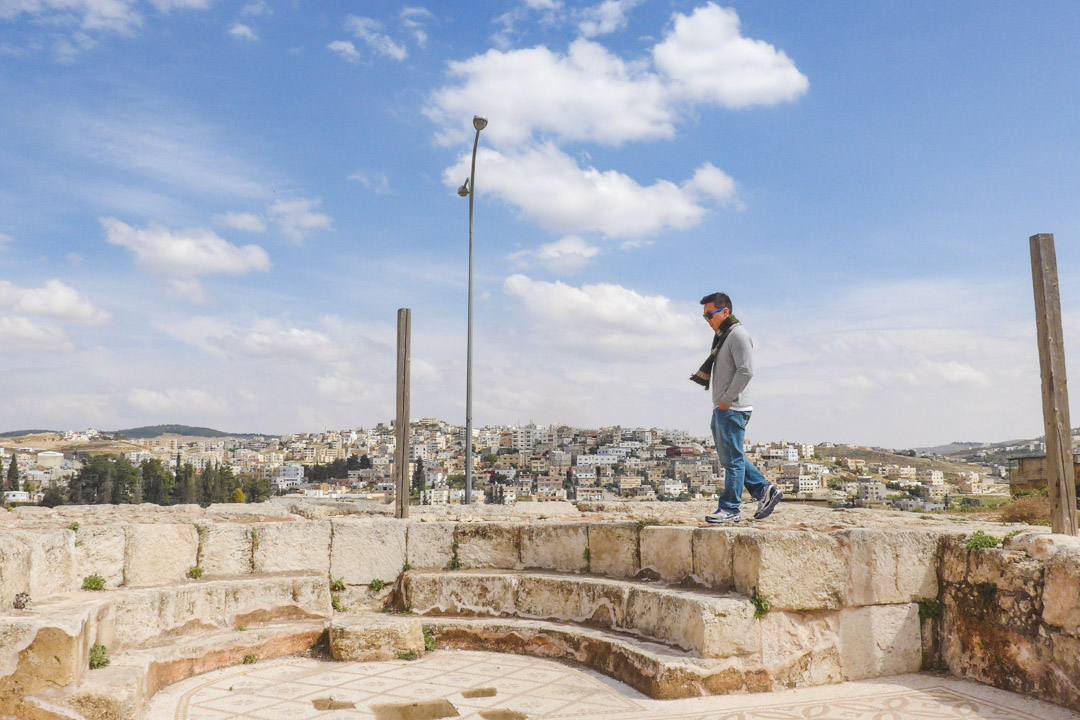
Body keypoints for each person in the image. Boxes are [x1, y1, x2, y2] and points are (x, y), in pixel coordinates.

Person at [692, 292, 782, 523]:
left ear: (725, 311)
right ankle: (764, 490)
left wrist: (726, 400)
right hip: (724, 407)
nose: (708, 321)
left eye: (710, 315)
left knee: (732, 461)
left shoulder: (738, 335)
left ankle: (731, 509)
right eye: (704, 317)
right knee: (732, 458)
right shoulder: (725, 337)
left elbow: (746, 371)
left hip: (732, 408)